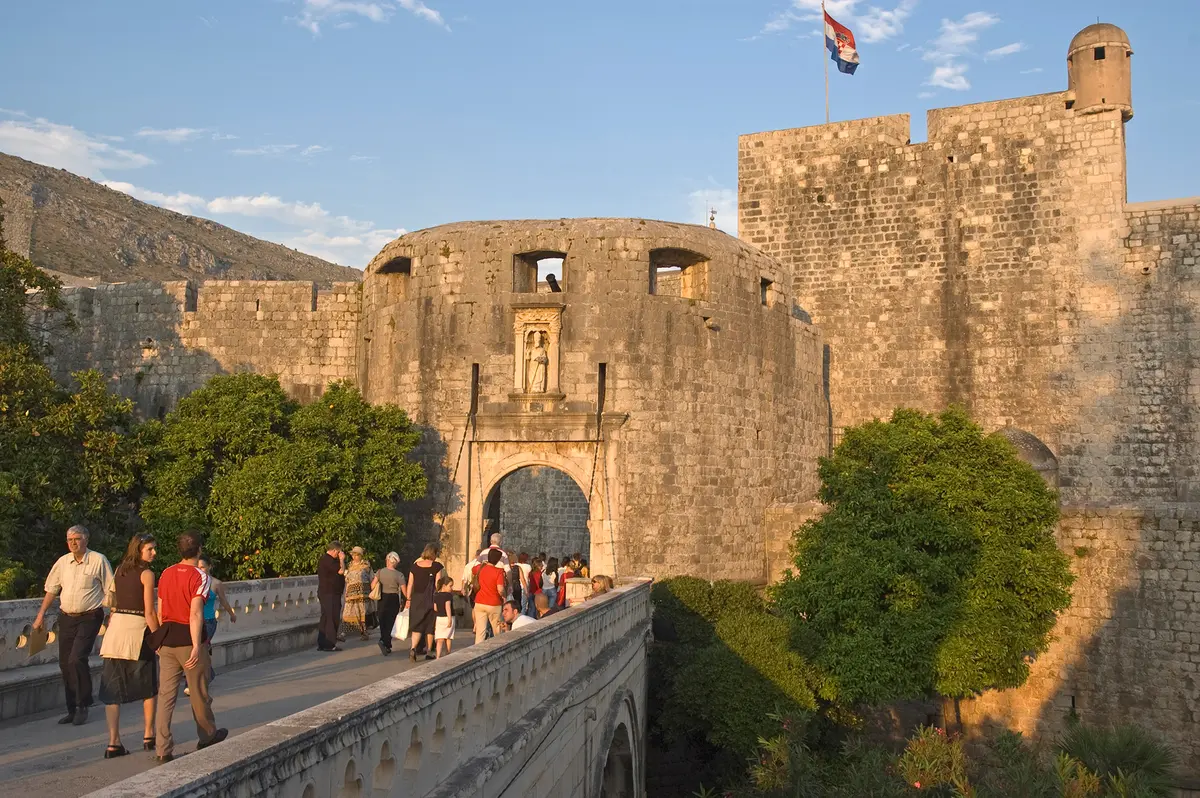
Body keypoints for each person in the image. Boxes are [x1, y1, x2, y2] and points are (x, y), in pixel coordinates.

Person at [154, 531, 227, 762]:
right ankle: (207, 736)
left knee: (166, 695)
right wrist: (197, 645)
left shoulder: (166, 573)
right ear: (199, 550)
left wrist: (158, 638)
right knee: (198, 691)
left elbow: (160, 608)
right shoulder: (200, 576)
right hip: (188, 637)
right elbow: (195, 613)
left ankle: (162, 748)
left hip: (167, 636)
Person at [32, 524, 114, 727]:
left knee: (77, 658)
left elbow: (110, 589)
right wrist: (40, 615)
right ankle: (71, 707)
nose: (73, 543)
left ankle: (82, 705)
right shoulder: (63, 562)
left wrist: (113, 614)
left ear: (86, 539)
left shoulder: (98, 560)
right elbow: (52, 589)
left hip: (90, 616)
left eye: (76, 539)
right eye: (69, 540)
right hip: (67, 617)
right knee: (64, 662)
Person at [97, 533, 159, 758]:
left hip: (116, 630)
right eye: (150, 549)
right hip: (138, 629)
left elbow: (113, 602)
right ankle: (148, 735)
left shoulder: (120, 570)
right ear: (139, 550)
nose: (154, 553)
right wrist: (158, 637)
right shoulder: (147, 574)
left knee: (112, 690)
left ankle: (113, 742)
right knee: (149, 685)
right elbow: (149, 611)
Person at [190, 555, 235, 696]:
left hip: (209, 621)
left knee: (202, 648)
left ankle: (193, 683)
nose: (200, 570)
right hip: (195, 621)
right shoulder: (193, 582)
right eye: (197, 567)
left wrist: (232, 614)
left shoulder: (215, 583)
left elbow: (223, 601)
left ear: (209, 567)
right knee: (199, 649)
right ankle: (209, 674)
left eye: (202, 567)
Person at [406, 543, 444, 661]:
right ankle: (429, 651)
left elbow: (410, 584)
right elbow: (438, 585)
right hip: (430, 599)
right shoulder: (437, 566)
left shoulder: (414, 566)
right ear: (435, 553)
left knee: (417, 625)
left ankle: (413, 648)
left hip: (417, 598)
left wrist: (408, 599)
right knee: (429, 626)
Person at [372, 552, 405, 656]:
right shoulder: (399, 575)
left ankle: (385, 642)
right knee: (391, 622)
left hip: (382, 598)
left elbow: (373, 586)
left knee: (382, 620)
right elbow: (404, 591)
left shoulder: (380, 572)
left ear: (387, 560)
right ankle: (385, 643)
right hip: (393, 598)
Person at [472, 548, 507, 644]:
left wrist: (483, 563)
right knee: (497, 630)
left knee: (480, 632)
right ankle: (498, 649)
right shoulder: (498, 571)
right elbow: (500, 589)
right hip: (494, 603)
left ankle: (478, 653)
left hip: (479, 602)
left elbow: (473, 569)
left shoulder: (480, 567)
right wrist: (504, 596)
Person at [316, 541, 346, 652]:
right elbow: (341, 571)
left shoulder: (328, 560)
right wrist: (342, 560)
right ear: (334, 550)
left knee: (325, 617)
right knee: (332, 617)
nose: (339, 555)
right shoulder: (328, 560)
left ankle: (322, 643)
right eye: (338, 552)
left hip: (329, 592)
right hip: (329, 593)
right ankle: (329, 644)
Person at [342, 546, 374, 642]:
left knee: (362, 614)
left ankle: (364, 633)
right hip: (351, 594)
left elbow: (371, 578)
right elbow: (347, 579)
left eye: (356, 555)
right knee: (347, 613)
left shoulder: (366, 565)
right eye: (353, 555)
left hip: (362, 594)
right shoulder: (350, 566)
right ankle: (343, 633)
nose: (354, 557)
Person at [433, 575, 456, 658]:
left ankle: (438, 656)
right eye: (450, 586)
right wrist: (449, 618)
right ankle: (448, 654)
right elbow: (448, 607)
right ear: (444, 586)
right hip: (448, 617)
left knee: (439, 639)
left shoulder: (436, 595)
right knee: (448, 637)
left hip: (439, 618)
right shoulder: (448, 595)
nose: (451, 588)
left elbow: (435, 608)